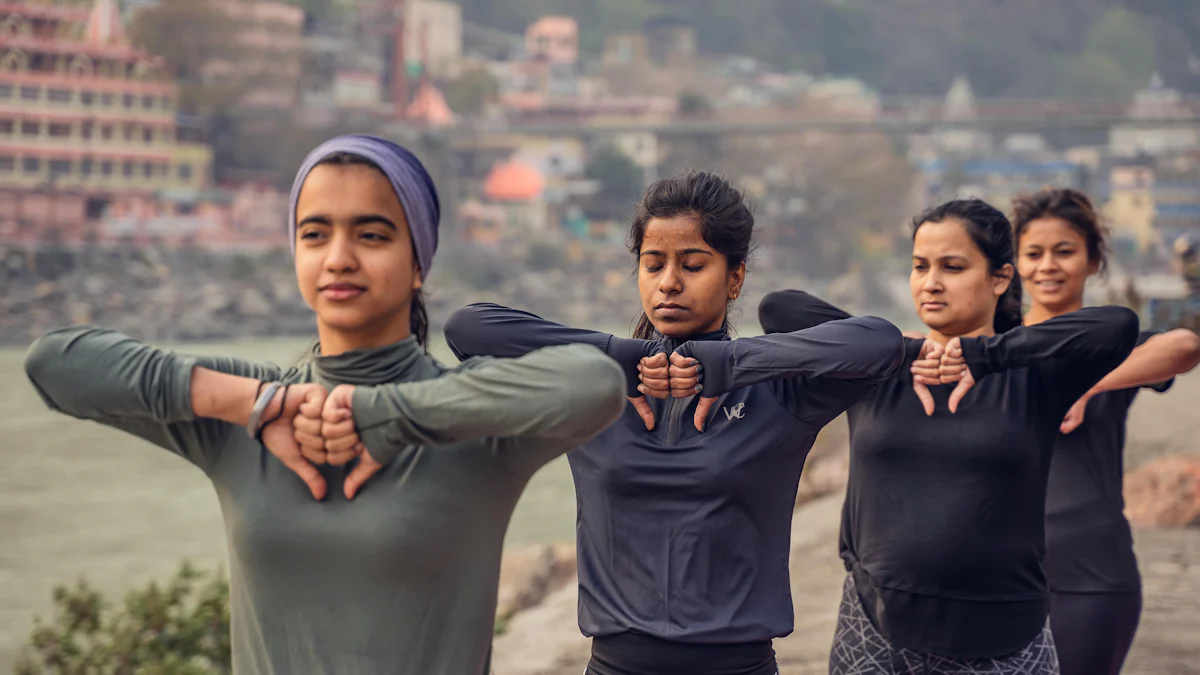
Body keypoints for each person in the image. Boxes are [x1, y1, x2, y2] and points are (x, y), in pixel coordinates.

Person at [23, 134, 627, 675]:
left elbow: (594, 385)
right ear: (295, 255)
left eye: (371, 234)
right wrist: (255, 402)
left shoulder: (470, 416)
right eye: (315, 234)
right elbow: (55, 363)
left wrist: (385, 416)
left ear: (418, 263)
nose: (339, 257)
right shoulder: (241, 417)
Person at [442, 171, 905, 675]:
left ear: (735, 278)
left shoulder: (779, 391)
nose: (669, 282)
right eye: (653, 263)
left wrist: (725, 367)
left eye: (693, 264)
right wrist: (618, 358)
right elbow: (467, 328)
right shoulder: (589, 390)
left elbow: (879, 344)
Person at [757, 198, 1139, 675]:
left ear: (1001, 277)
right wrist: (904, 349)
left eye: (952, 267)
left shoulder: (1034, 378)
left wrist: (984, 355)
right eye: (920, 266)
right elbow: (779, 308)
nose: (931, 282)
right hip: (875, 633)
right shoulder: (877, 370)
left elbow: (1117, 326)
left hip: (1005, 637)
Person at [1013, 188, 1200, 675]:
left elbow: (1184, 345)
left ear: (1094, 262)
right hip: (995, 575)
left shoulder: (1111, 345)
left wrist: (1087, 386)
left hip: (1091, 574)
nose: (1048, 266)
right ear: (1013, 264)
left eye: (1065, 251)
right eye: (1033, 253)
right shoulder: (997, 346)